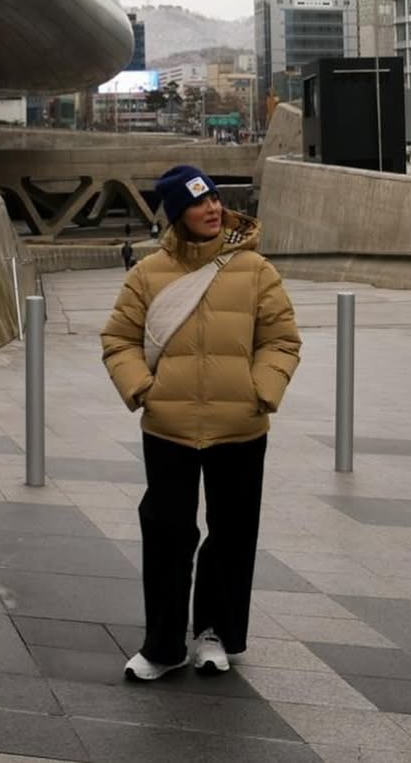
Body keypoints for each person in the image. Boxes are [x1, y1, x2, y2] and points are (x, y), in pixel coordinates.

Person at [101, 165, 301, 682]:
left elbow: (281, 339)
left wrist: (262, 391)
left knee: (231, 534)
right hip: (168, 428)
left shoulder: (255, 269)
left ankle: (215, 633)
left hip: (240, 427)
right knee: (166, 533)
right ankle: (162, 645)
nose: (212, 208)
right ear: (176, 214)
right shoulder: (147, 274)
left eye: (213, 198)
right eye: (198, 203)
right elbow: (118, 339)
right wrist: (144, 390)